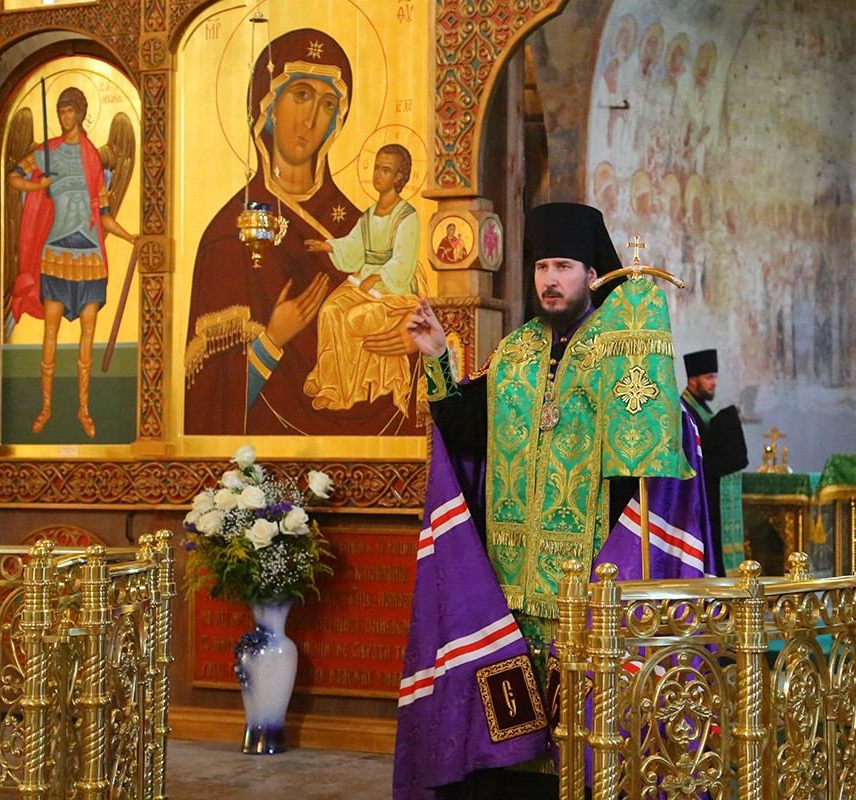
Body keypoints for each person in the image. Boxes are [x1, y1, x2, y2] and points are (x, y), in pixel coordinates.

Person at [396, 203, 707, 799]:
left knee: (585, 748)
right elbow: (468, 435)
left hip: (587, 587)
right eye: (542, 267)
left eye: (563, 266)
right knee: (513, 754)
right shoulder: (515, 354)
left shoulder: (620, 351)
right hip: (511, 589)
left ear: (591, 274)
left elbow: (653, 456)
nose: (550, 280)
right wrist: (437, 357)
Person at [184, 28, 416, 436]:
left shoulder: (360, 225)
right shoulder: (226, 236)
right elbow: (204, 401)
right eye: (301, 95)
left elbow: (407, 308)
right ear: (268, 104)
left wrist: (413, 339)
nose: (310, 120)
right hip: (261, 455)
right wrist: (272, 339)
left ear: (337, 120)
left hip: (373, 446)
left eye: (327, 104)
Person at [8, 86, 137, 438]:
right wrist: (39, 187)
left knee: (88, 336)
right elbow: (13, 177)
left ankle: (83, 409)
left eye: (70, 110)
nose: (65, 117)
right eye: (61, 111)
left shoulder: (93, 158)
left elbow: (104, 215)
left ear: (80, 113)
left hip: (90, 257)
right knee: (50, 332)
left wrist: (130, 238)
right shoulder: (46, 153)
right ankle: (46, 407)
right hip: (56, 253)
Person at [303, 143, 420, 414]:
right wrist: (329, 246)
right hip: (363, 280)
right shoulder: (369, 214)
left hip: (393, 290)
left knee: (353, 319)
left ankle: (345, 391)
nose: (378, 174)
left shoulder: (407, 217)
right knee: (329, 311)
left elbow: (404, 261)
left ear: (399, 177)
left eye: (385, 170)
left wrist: (379, 275)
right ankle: (329, 381)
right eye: (376, 168)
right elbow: (355, 245)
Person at [681, 348, 748, 576]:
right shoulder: (685, 410)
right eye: (709, 377)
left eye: (715, 377)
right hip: (697, 498)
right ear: (693, 379)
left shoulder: (702, 408)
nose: (714, 383)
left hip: (711, 494)